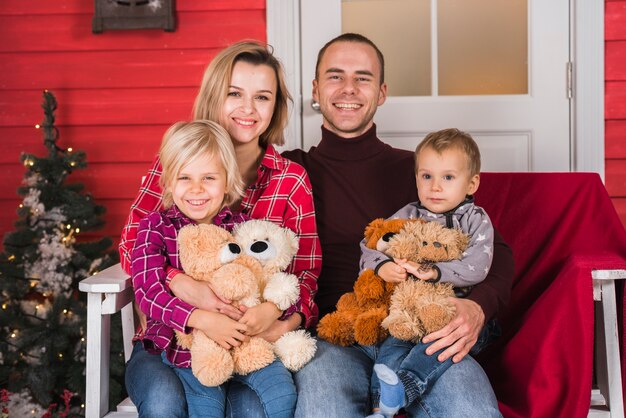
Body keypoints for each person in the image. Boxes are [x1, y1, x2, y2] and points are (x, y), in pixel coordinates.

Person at [278, 33, 513, 417]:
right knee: (324, 409)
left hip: (420, 331)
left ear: (382, 92)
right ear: (316, 89)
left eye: (363, 77)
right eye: (335, 77)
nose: (349, 89)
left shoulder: (422, 172)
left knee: (471, 408)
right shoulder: (291, 171)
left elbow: (494, 252)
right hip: (333, 335)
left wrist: (477, 309)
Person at [120, 41, 321, 418]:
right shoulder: (178, 161)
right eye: (234, 94)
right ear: (214, 96)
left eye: (262, 97)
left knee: (256, 407)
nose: (247, 109)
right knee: (165, 402)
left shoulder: (290, 181)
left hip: (252, 340)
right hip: (171, 340)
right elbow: (134, 244)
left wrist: (277, 316)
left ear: (275, 108)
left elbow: (306, 273)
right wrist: (179, 280)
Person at [131, 120, 297, 418]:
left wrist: (269, 310)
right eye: (184, 178)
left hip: (238, 344)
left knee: (280, 392)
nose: (196, 190)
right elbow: (147, 292)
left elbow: (263, 278)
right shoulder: (155, 227)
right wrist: (201, 319)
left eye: (208, 177)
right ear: (168, 180)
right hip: (171, 348)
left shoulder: (241, 229)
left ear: (227, 180)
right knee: (180, 406)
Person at [358, 128, 494, 418]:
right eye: (426, 176)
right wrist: (383, 267)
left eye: (448, 177)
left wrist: (432, 272)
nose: (435, 187)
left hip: (454, 316)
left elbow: (478, 266)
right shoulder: (408, 215)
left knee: (433, 342)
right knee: (391, 346)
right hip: (414, 313)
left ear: (471, 183)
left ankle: (405, 388)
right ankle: (380, 409)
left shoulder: (475, 220)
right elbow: (370, 245)